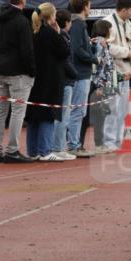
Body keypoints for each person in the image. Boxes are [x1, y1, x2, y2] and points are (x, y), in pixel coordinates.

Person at [0, 0, 36, 163]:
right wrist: (32, 71)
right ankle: (12, 150)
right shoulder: (22, 21)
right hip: (19, 73)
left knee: (1, 111)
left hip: (0, 70)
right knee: (18, 111)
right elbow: (27, 50)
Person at [25, 3, 69, 161]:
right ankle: (45, 151)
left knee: (33, 115)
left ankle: (33, 151)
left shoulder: (33, 32)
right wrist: (59, 33)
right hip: (50, 79)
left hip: (34, 79)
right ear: (51, 16)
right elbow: (65, 51)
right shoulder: (50, 33)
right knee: (47, 114)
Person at [103, 0, 131, 151]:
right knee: (112, 108)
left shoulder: (128, 24)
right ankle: (108, 141)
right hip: (112, 73)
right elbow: (106, 47)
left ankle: (118, 140)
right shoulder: (108, 23)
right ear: (123, 10)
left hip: (125, 72)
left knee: (123, 109)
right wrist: (126, 53)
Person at [66, 0, 94, 157]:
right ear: (84, 7)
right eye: (89, 5)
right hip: (80, 73)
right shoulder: (78, 24)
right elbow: (77, 49)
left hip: (81, 72)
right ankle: (74, 145)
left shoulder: (78, 24)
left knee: (79, 111)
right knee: (77, 111)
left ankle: (74, 143)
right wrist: (94, 58)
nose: (90, 8)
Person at [88, 19, 118, 153]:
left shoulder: (102, 43)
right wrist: (99, 87)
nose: (111, 31)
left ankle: (100, 143)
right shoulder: (99, 44)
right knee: (100, 115)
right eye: (109, 29)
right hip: (99, 85)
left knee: (102, 114)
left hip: (103, 83)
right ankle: (99, 144)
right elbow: (97, 67)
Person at [51, 9, 77, 160]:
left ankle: (57, 146)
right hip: (65, 80)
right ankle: (58, 147)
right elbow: (66, 60)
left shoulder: (60, 36)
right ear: (67, 22)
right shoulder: (63, 37)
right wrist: (75, 74)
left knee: (60, 116)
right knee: (62, 117)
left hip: (61, 79)